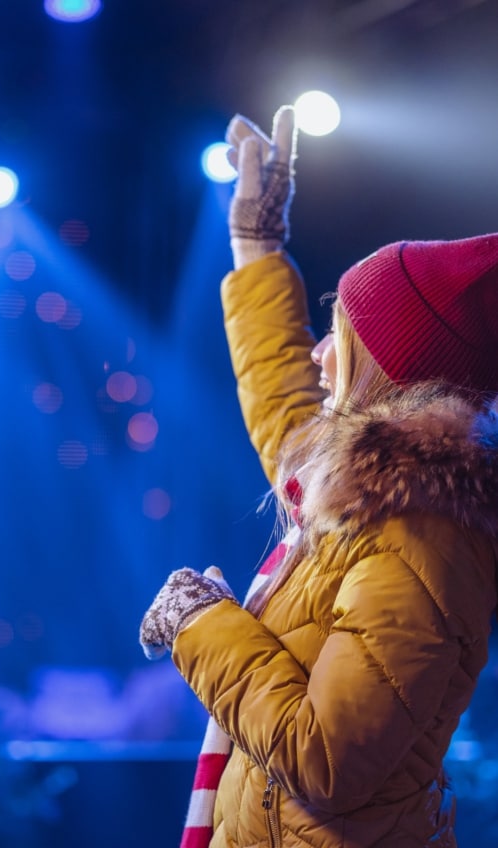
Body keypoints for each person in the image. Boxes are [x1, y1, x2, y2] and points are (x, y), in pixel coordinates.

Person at [139, 104, 498, 848]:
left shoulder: (420, 535)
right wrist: (255, 247)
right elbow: (284, 406)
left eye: (340, 335)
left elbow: (327, 760)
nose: (319, 355)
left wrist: (202, 625)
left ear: (391, 375)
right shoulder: (371, 495)